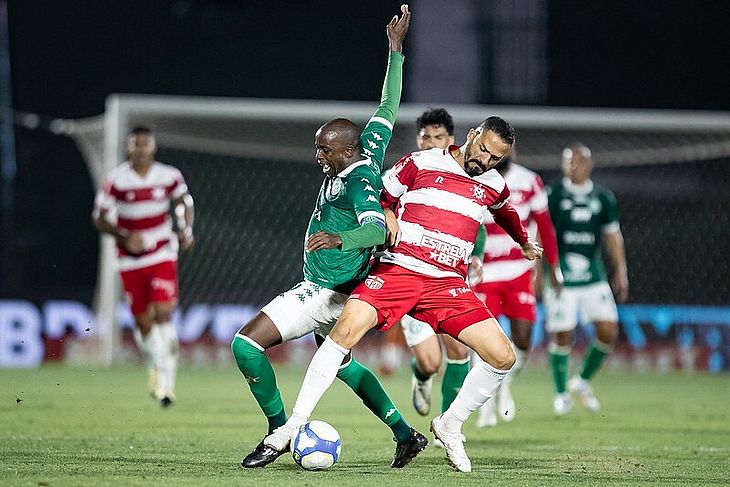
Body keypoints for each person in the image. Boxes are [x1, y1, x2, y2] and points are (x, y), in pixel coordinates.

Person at [263, 116, 544, 473]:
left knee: (502, 356)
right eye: (484, 150)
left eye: (495, 158)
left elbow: (505, 212)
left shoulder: (493, 184)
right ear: (472, 136)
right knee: (344, 331)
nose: (484, 161)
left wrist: (523, 242)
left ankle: (450, 424)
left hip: (448, 285)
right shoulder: (421, 162)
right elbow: (376, 194)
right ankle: (293, 425)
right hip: (401, 270)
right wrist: (386, 211)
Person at [230, 5, 426, 470]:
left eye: (324, 149)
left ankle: (279, 431)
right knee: (342, 366)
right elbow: (388, 105)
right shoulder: (369, 147)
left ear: (344, 151)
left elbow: (376, 226)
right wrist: (395, 53)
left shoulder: (359, 180)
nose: (317, 155)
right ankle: (404, 433)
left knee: (246, 344)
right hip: (332, 285)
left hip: (328, 291)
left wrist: (341, 241)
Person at [93, 125, 195, 408]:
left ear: (153, 146)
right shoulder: (116, 180)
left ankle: (167, 383)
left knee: (164, 312)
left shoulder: (169, 175)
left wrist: (185, 230)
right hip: (128, 258)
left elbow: (183, 201)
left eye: (145, 144)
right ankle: (154, 361)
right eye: (136, 144)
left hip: (161, 252)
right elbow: (99, 218)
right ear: (129, 148)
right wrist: (125, 236)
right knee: (143, 322)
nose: (141, 149)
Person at [472, 149, 562, 427]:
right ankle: (484, 405)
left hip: (519, 272)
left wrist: (553, 267)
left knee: (523, 341)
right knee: (483, 341)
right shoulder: (476, 180)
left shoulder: (530, 180)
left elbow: (545, 227)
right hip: (485, 273)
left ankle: (504, 383)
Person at [397, 109, 475, 427]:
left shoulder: (462, 177)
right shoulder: (408, 170)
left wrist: (477, 256)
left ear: (451, 141)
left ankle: (447, 424)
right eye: (425, 137)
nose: (430, 143)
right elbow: (383, 200)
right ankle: (421, 375)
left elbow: (476, 225)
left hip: (446, 279)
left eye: (438, 137)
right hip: (412, 275)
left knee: (460, 350)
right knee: (431, 362)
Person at [544, 143, 628, 416]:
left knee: (608, 332)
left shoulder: (603, 198)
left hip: (593, 276)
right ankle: (560, 395)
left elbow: (612, 236)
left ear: (589, 165)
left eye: (578, 161)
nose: (572, 166)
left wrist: (621, 271)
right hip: (562, 278)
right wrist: (542, 272)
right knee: (562, 335)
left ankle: (580, 381)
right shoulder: (554, 195)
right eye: (568, 161)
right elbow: (541, 235)